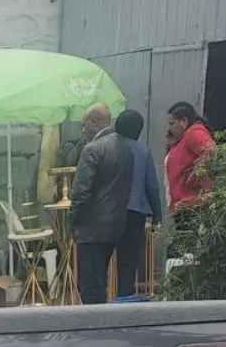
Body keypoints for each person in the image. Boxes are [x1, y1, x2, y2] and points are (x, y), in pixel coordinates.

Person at [69, 104, 134, 305]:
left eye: (84, 124)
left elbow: (80, 193)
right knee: (101, 281)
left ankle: (93, 328)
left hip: (91, 229)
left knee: (90, 286)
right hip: (116, 225)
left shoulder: (92, 150)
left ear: (94, 122)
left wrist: (72, 222)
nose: (83, 130)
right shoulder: (126, 146)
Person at [115, 108, 164, 298]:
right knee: (129, 258)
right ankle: (124, 296)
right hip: (135, 211)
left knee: (104, 255)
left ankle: (101, 298)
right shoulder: (143, 151)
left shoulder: (107, 147)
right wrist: (157, 215)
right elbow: (151, 185)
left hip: (109, 210)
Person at [165, 102, 216, 214]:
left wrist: (195, 176)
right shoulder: (182, 139)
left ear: (184, 121)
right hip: (182, 205)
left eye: (172, 124)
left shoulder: (194, 132)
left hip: (192, 205)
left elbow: (211, 152)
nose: (169, 128)